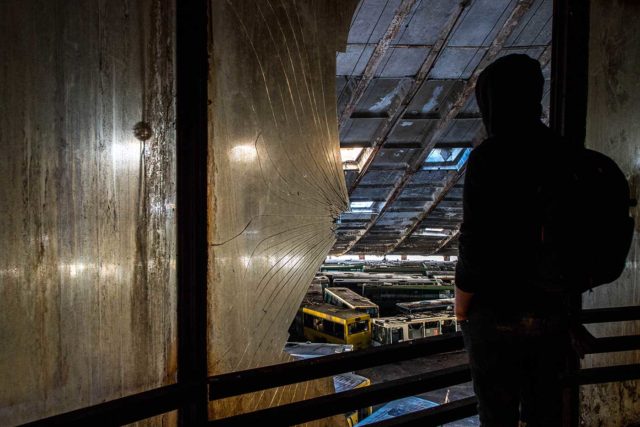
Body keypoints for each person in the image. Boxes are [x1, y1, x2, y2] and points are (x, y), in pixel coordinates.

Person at [455, 54, 574, 426]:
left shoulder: (488, 159)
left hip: (498, 314)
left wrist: (461, 306)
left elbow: (474, 246)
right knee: (546, 411)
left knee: (497, 415)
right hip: (552, 311)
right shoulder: (564, 152)